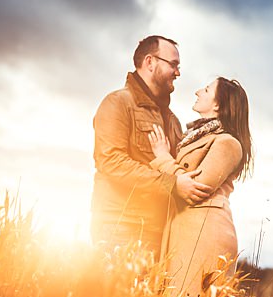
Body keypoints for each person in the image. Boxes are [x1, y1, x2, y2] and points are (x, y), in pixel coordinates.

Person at [90, 35, 212, 251]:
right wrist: (172, 185)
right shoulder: (117, 103)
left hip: (162, 232)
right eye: (173, 64)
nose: (178, 72)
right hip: (121, 228)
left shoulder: (173, 120)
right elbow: (111, 162)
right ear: (150, 62)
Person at [148, 77, 252, 297]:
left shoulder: (228, 143)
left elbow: (196, 188)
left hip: (205, 236)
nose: (197, 91)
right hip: (186, 232)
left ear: (218, 105)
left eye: (206, 90)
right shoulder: (197, 138)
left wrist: (163, 157)